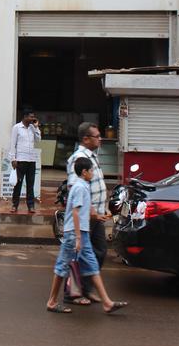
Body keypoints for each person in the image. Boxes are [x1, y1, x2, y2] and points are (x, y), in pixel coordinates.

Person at [46, 157, 128, 315]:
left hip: (82, 234)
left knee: (92, 266)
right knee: (62, 267)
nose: (93, 173)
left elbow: (86, 209)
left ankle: (107, 303)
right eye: (91, 171)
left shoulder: (84, 186)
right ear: (84, 172)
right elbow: (75, 213)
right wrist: (77, 238)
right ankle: (52, 301)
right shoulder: (79, 188)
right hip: (73, 234)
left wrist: (98, 216)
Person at [65, 122, 108, 304]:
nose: (100, 139)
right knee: (81, 255)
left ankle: (87, 288)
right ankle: (73, 293)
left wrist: (102, 208)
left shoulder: (92, 156)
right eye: (97, 136)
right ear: (86, 139)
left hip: (96, 215)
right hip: (86, 218)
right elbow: (78, 190)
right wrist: (91, 211)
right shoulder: (79, 159)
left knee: (99, 252)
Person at [9, 109, 41, 214]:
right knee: (18, 184)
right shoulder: (17, 128)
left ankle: (31, 205)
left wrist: (36, 128)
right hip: (20, 160)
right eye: (31, 117)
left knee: (30, 184)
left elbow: (38, 140)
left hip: (31, 160)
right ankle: (14, 204)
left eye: (33, 117)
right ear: (25, 117)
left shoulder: (33, 128)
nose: (33, 119)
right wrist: (13, 159)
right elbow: (12, 144)